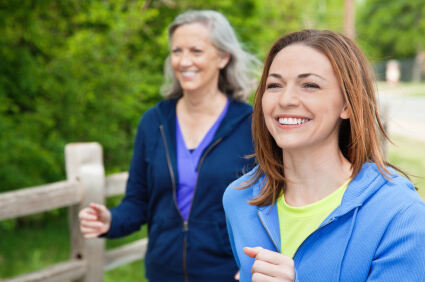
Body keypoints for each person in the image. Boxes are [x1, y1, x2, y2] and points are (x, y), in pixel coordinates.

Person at [223, 29, 425, 282]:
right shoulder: (239, 198)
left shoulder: (400, 214)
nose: (286, 99)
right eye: (274, 85)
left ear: (347, 105)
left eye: (310, 85)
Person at [79, 10, 260, 281]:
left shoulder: (251, 124)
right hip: (162, 272)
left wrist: (254, 259)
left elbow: (270, 203)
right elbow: (137, 202)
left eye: (196, 51)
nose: (184, 61)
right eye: (177, 51)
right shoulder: (154, 122)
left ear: (223, 57)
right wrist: (110, 221)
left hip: (226, 274)